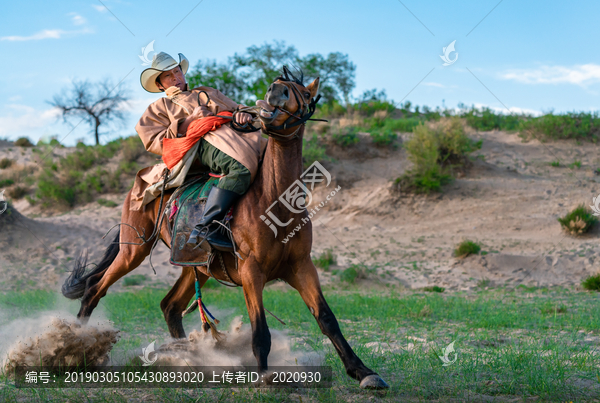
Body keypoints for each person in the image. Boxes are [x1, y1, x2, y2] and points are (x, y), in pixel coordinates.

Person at [134, 52, 267, 252]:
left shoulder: (207, 92)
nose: (176, 78)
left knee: (273, 151)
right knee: (240, 166)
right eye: (168, 76)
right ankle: (207, 227)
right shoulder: (159, 107)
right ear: (160, 84)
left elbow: (237, 108)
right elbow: (155, 140)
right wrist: (190, 121)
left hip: (232, 135)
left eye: (177, 72)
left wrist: (242, 115)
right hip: (197, 147)